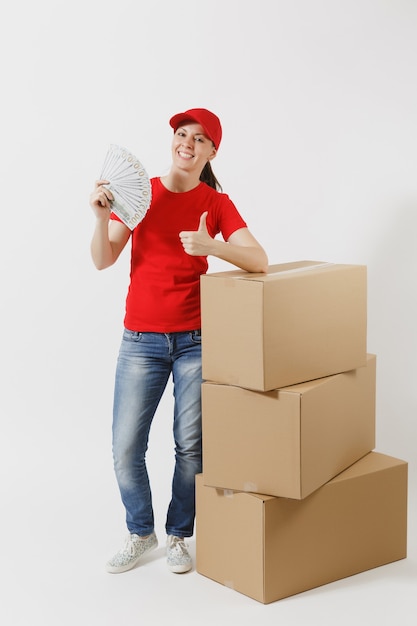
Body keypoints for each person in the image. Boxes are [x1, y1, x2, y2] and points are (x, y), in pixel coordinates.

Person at [89, 108, 268, 575]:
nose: (187, 143)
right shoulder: (142, 193)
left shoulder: (216, 203)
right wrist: (99, 218)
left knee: (190, 446)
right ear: (173, 141)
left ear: (211, 152)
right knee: (125, 446)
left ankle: (178, 536)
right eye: (181, 134)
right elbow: (103, 258)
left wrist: (214, 247)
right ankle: (140, 531)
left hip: (195, 341)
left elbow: (260, 260)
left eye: (200, 139)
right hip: (140, 341)